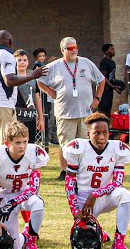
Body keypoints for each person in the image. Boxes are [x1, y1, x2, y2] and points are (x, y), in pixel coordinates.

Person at [62, 113, 130, 249]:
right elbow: (69, 183)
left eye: (105, 133)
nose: (102, 137)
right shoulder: (79, 148)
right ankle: (100, 231)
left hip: (104, 196)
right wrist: (75, 211)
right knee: (86, 233)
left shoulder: (116, 149)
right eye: (97, 133)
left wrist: (95, 194)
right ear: (88, 134)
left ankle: (118, 244)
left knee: (125, 195)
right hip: (84, 200)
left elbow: (117, 182)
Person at [38, 37, 105, 177]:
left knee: (85, 143)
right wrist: (50, 92)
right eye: (70, 48)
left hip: (85, 113)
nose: (74, 50)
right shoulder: (54, 66)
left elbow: (101, 80)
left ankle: (84, 170)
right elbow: (40, 80)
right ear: (63, 50)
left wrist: (97, 98)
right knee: (66, 144)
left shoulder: (86, 63)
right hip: (65, 112)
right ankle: (65, 171)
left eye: (76, 47)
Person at [0, 121, 49, 249]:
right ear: (7, 143)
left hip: (24, 194)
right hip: (4, 196)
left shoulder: (34, 153)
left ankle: (31, 241)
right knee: (14, 247)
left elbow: (34, 189)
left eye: (25, 142)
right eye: (18, 143)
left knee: (38, 203)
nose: (22, 146)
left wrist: (13, 204)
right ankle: (24, 237)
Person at [0, 30, 47, 147]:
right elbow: (10, 81)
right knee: (6, 144)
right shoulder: (7, 56)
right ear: (11, 42)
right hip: (2, 104)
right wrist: (33, 75)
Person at [12, 49, 46, 142]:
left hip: (30, 117)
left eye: (24, 60)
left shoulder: (33, 79)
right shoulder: (11, 79)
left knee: (30, 143)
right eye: (19, 60)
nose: (22, 62)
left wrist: (41, 118)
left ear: (28, 62)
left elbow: (37, 99)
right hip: (16, 118)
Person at [97, 44, 126, 115]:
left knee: (108, 109)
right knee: (103, 109)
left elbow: (112, 77)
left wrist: (117, 85)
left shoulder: (112, 63)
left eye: (114, 49)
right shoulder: (104, 62)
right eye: (111, 49)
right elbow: (103, 77)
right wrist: (113, 86)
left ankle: (107, 121)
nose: (114, 51)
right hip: (104, 90)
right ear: (106, 52)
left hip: (110, 90)